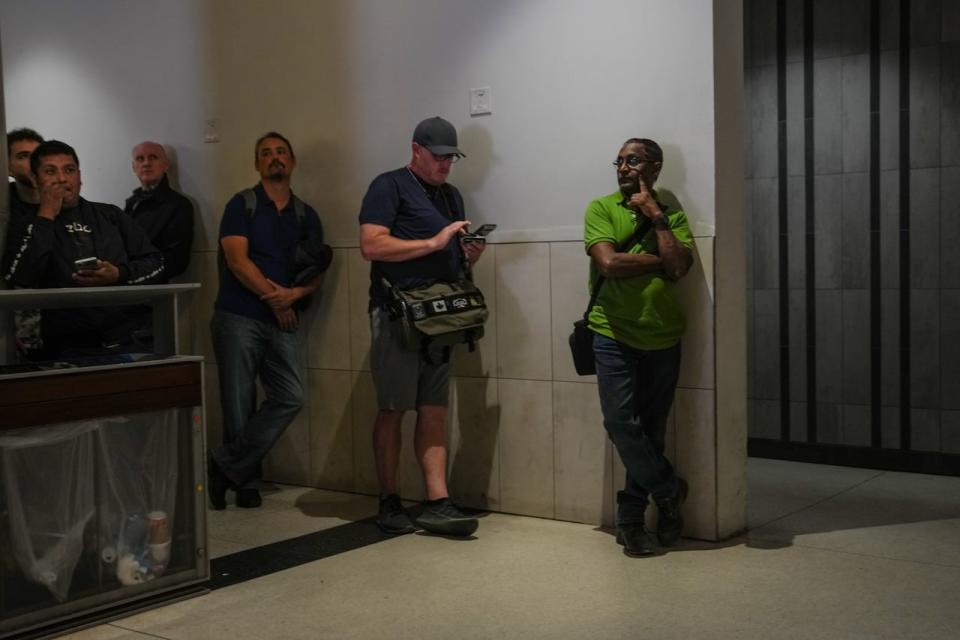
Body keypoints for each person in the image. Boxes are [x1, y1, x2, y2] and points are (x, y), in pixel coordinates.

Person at [358, 116, 486, 537]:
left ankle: (437, 501)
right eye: (438, 157)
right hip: (399, 314)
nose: (446, 165)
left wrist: (467, 253)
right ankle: (389, 499)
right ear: (416, 150)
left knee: (434, 409)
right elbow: (371, 244)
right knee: (394, 408)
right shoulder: (388, 186)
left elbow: (452, 257)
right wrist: (432, 243)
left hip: (441, 316)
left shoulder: (451, 197)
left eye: (451, 158)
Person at [583, 138, 694, 557]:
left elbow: (681, 268)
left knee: (652, 430)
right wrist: (662, 262)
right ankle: (668, 491)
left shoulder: (672, 212)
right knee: (620, 423)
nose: (624, 168)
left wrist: (656, 219)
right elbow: (609, 264)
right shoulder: (601, 208)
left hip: (664, 335)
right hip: (611, 333)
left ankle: (632, 520)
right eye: (620, 161)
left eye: (633, 161)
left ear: (655, 167)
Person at [207, 132, 324, 510]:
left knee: (291, 396)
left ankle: (222, 465)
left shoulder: (307, 214)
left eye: (280, 153)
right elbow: (237, 261)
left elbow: (316, 274)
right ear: (257, 165)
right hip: (238, 316)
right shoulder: (242, 205)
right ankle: (244, 482)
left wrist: (294, 296)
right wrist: (276, 299)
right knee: (238, 401)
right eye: (266, 154)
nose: (274, 158)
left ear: (292, 162)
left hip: (284, 318)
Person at [1, 140, 165, 357]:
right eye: (50, 171)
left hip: (129, 338)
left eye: (69, 170)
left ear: (79, 176)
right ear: (35, 179)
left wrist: (119, 274)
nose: (62, 179)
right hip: (66, 346)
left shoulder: (110, 215)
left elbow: (156, 263)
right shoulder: (26, 224)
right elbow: (21, 276)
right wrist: (47, 214)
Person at [124, 141, 194, 281]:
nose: (146, 163)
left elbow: (177, 260)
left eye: (153, 157)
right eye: (140, 159)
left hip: (155, 288)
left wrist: (133, 272)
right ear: (133, 167)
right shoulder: (131, 204)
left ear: (166, 165)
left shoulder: (178, 205)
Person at [5, 128, 45, 358]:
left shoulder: (66, 202)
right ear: (8, 166)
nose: (32, 162)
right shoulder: (5, 208)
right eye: (22, 156)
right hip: (15, 321)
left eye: (37, 155)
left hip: (65, 321)